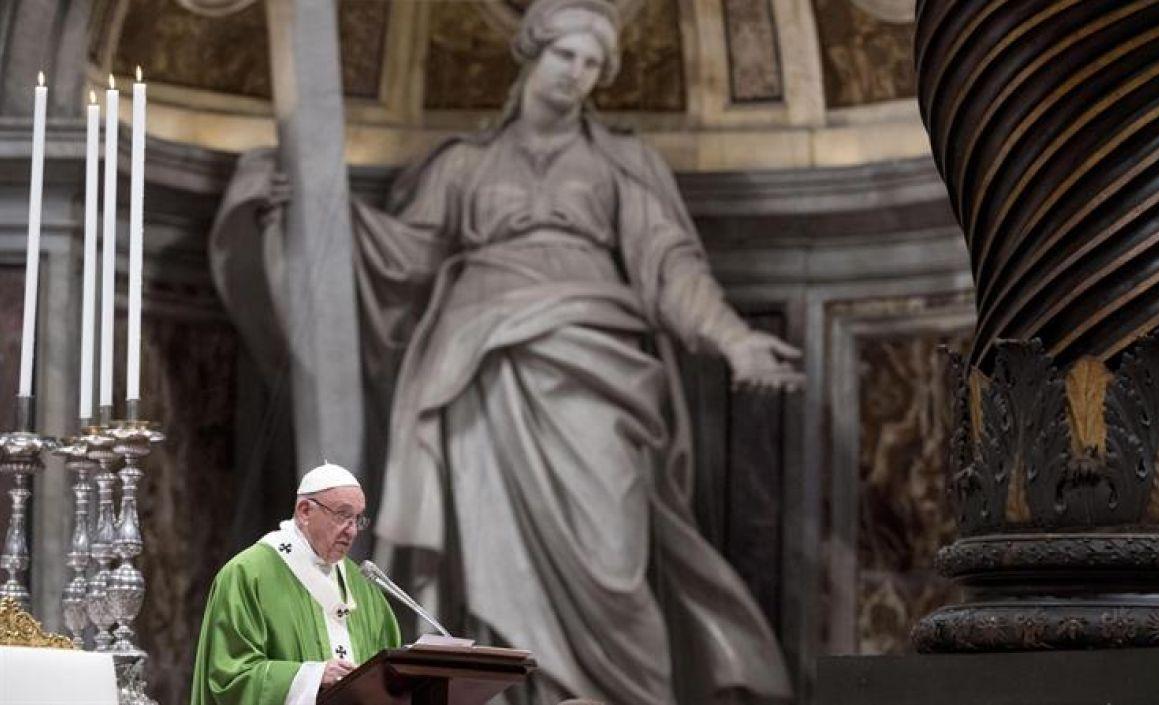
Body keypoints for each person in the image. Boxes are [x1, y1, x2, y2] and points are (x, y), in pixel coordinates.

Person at [210, 0, 798, 701]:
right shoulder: (466, 165)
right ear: (532, 55)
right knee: (488, 557)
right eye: (565, 56)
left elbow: (672, 267)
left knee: (613, 564)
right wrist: (304, 203)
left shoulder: (622, 163)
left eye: (591, 63)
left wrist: (734, 340)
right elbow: (401, 258)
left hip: (594, 367)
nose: (576, 74)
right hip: (478, 369)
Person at [189, 463, 401, 705]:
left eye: (357, 519)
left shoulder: (362, 584)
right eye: (343, 515)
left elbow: (391, 674)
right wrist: (313, 677)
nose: (352, 531)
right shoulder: (249, 574)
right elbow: (230, 677)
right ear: (304, 511)